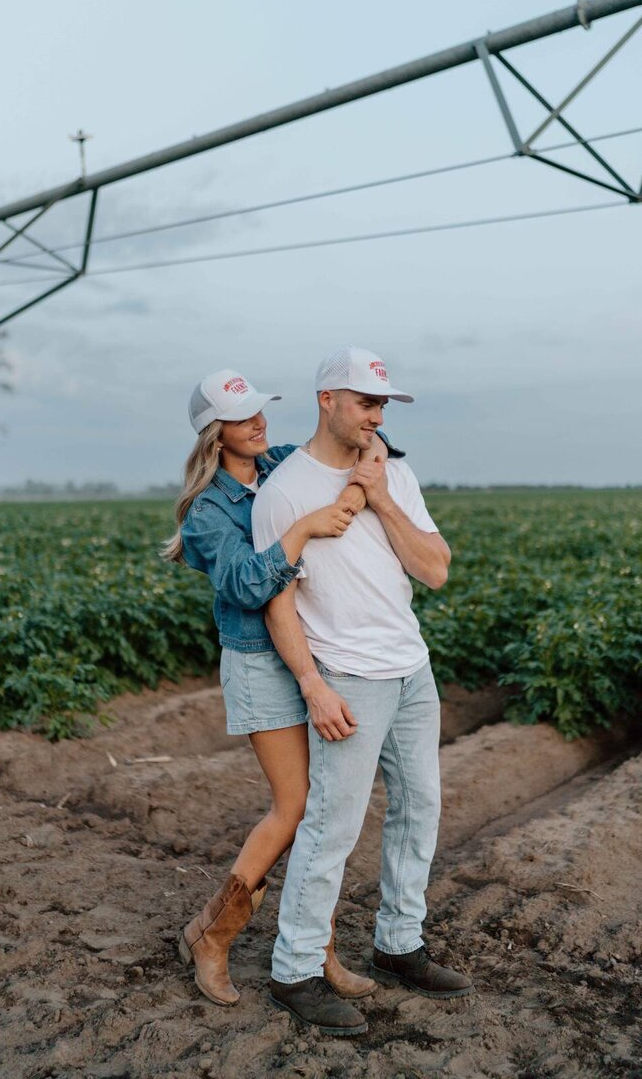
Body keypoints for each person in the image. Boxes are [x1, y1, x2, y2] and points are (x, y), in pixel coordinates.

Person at [251, 346, 473, 1037]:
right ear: (327, 400)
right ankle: (294, 970)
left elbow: (435, 569)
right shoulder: (285, 491)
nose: (376, 415)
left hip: (411, 669)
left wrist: (378, 496)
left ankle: (399, 943)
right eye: (366, 402)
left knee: (420, 807)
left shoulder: (393, 474)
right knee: (332, 825)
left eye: (383, 404)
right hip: (348, 677)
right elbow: (278, 603)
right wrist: (313, 686)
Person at [163, 367, 403, 1007]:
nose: (258, 423)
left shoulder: (279, 466)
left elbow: (366, 445)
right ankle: (211, 935)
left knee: (322, 809)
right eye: (241, 417)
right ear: (214, 433)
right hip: (259, 664)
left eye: (259, 410)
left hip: (311, 652)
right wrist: (302, 529)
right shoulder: (207, 513)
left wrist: (370, 458)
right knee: (295, 807)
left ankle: (317, 950)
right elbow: (245, 585)